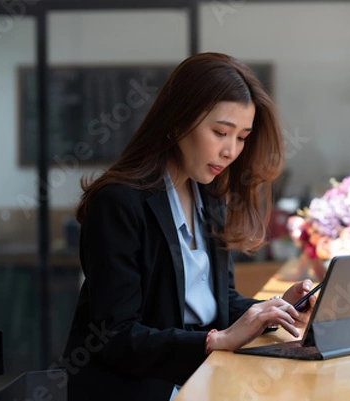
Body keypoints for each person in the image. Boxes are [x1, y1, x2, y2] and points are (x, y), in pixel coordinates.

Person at [60, 52, 317, 401]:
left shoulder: (209, 195)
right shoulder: (118, 203)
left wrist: (275, 308)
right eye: (220, 132)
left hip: (201, 380)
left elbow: (214, 302)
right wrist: (216, 341)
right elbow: (115, 337)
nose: (231, 151)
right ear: (178, 121)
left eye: (242, 137)